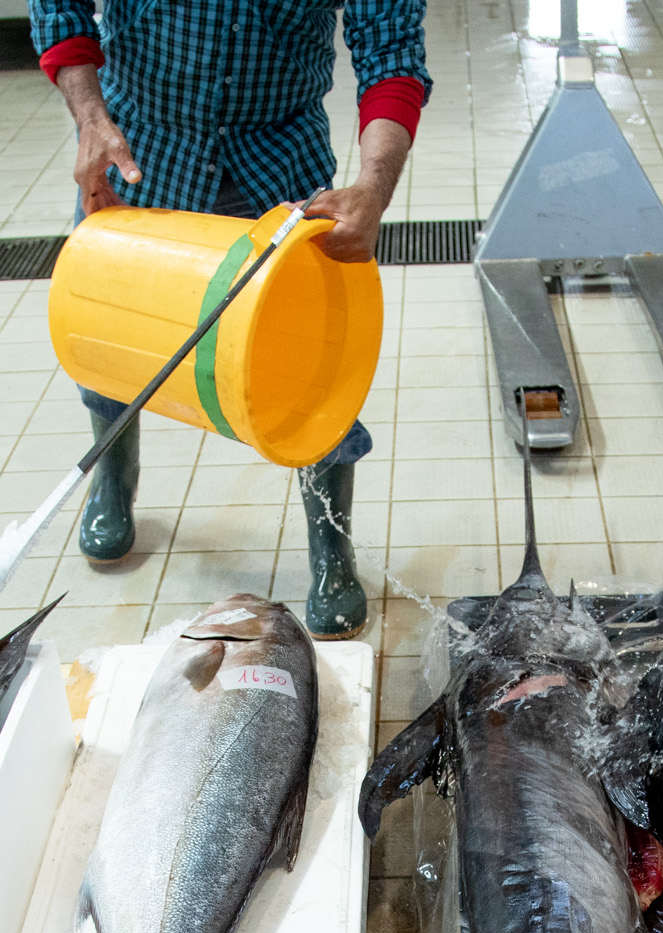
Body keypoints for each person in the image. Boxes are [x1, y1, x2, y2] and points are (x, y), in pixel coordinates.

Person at [28, 0, 428, 640]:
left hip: (277, 161)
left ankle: (330, 548)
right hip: (141, 148)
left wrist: (372, 188)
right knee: (107, 327)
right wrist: (90, 117)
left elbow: (393, 51)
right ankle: (115, 472)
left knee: (310, 363)